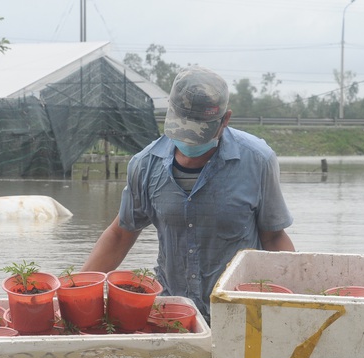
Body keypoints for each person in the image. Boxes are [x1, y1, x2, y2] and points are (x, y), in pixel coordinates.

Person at [81, 65, 294, 322]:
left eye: (198, 133)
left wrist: (294, 303)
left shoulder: (257, 161)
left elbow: (273, 239)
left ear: (224, 120)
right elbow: (119, 235)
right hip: (172, 313)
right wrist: (76, 289)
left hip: (239, 312)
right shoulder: (145, 165)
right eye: (183, 130)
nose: (189, 143)